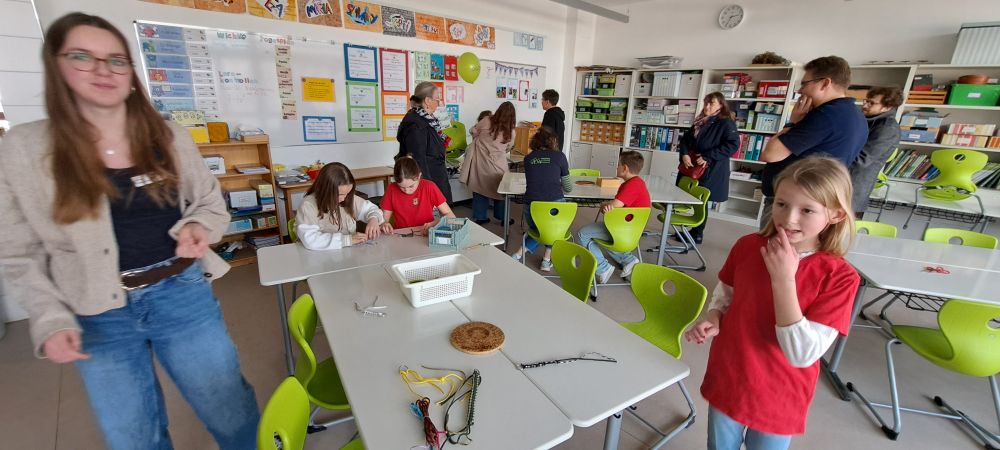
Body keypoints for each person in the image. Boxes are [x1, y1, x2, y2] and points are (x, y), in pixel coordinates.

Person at [0, 13, 259, 449]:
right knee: (133, 433)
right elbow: (17, 250)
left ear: (131, 73)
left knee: (230, 407)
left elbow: (211, 204)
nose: (103, 70)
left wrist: (197, 225)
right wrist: (49, 317)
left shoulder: (168, 137)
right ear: (56, 66)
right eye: (82, 57)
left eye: (116, 60)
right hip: (95, 311)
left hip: (181, 291)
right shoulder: (22, 149)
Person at [684, 157, 860, 450]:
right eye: (781, 204)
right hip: (731, 374)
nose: (789, 219)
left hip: (779, 391)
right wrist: (715, 316)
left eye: (807, 210)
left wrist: (784, 279)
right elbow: (726, 293)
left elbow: (802, 354)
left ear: (836, 214)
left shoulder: (840, 277)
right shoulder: (747, 245)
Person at [759, 55, 867, 228]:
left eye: (804, 84)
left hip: (793, 203)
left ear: (825, 83)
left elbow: (770, 154)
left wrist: (792, 122)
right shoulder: (856, 115)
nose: (800, 90)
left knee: (777, 244)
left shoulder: (825, 115)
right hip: (813, 201)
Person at [577, 151, 651, 284]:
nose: (616, 167)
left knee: (583, 234)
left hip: (622, 230)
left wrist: (605, 206)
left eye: (618, 164)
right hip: (629, 228)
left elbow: (613, 208)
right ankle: (628, 259)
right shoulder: (638, 183)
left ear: (625, 168)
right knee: (598, 236)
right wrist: (608, 206)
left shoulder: (631, 185)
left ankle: (603, 268)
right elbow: (615, 207)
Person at [677, 91, 740, 243]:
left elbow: (733, 145)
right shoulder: (701, 120)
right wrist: (684, 154)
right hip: (692, 164)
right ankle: (690, 232)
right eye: (706, 102)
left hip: (710, 167)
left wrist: (708, 156)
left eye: (712, 103)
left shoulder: (725, 123)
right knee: (691, 197)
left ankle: (697, 234)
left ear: (721, 105)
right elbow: (685, 139)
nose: (707, 106)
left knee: (701, 200)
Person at [511, 127, 572, 271]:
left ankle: (517, 255)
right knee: (553, 228)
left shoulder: (528, 158)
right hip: (553, 204)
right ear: (552, 142)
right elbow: (568, 188)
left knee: (539, 229)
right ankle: (546, 260)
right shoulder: (560, 156)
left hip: (531, 205)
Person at [296, 162, 385, 250]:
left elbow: (371, 209)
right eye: (340, 194)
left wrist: (373, 219)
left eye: (347, 193)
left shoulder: (348, 198)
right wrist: (347, 240)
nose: (344, 198)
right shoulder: (308, 205)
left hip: (347, 254)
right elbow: (311, 240)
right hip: (320, 256)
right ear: (326, 190)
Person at [849, 87, 902, 219]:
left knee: (842, 230)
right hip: (844, 182)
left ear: (888, 107)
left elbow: (862, 160)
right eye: (866, 101)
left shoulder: (888, 129)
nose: (865, 105)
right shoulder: (868, 120)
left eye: (871, 103)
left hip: (853, 190)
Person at [459, 101, 516, 225]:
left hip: (481, 162)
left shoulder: (486, 120)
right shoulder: (511, 131)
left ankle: (480, 217)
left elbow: (473, 130)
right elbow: (508, 147)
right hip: (498, 164)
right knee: (502, 190)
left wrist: (479, 138)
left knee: (479, 188)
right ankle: (503, 218)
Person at [396, 81, 452, 203]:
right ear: (427, 100)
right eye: (437, 99)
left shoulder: (427, 120)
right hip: (429, 180)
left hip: (435, 175)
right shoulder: (416, 124)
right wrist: (427, 188)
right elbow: (418, 159)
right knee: (433, 213)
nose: (439, 103)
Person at [379, 156, 455, 236]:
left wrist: (436, 223)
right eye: (401, 187)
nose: (407, 191)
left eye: (411, 186)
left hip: (426, 234)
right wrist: (384, 224)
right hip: (401, 235)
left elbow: (451, 216)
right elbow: (383, 220)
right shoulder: (391, 189)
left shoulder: (429, 187)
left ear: (419, 176)